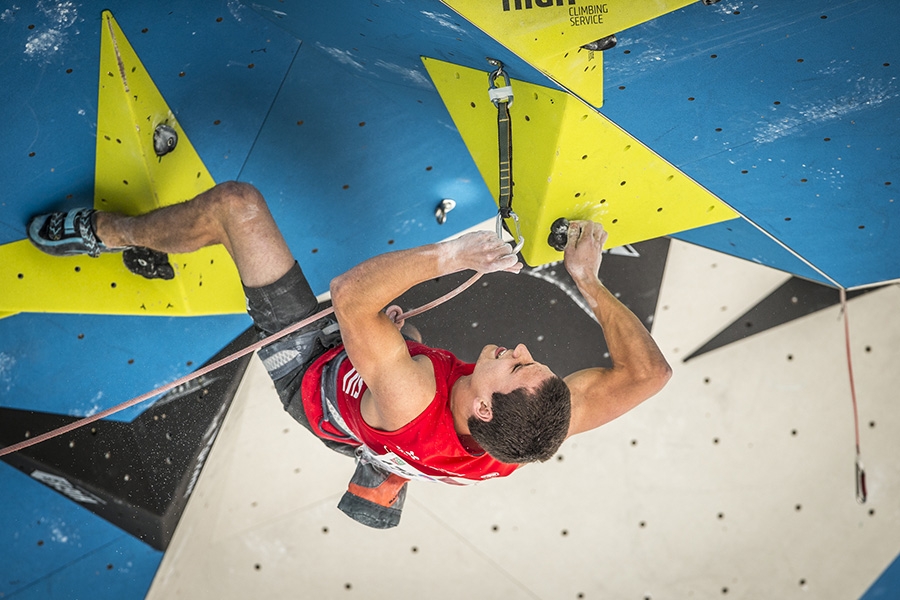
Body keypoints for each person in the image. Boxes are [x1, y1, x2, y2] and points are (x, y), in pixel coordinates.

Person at [27, 181, 672, 527]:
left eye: (517, 365)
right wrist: (588, 280)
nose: (525, 349)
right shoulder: (528, 431)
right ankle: (381, 462)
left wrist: (456, 255)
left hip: (312, 372)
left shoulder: (412, 395)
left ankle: (103, 233)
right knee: (403, 346)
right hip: (384, 408)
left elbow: (349, 297)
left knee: (237, 207)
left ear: (480, 406)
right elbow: (650, 375)